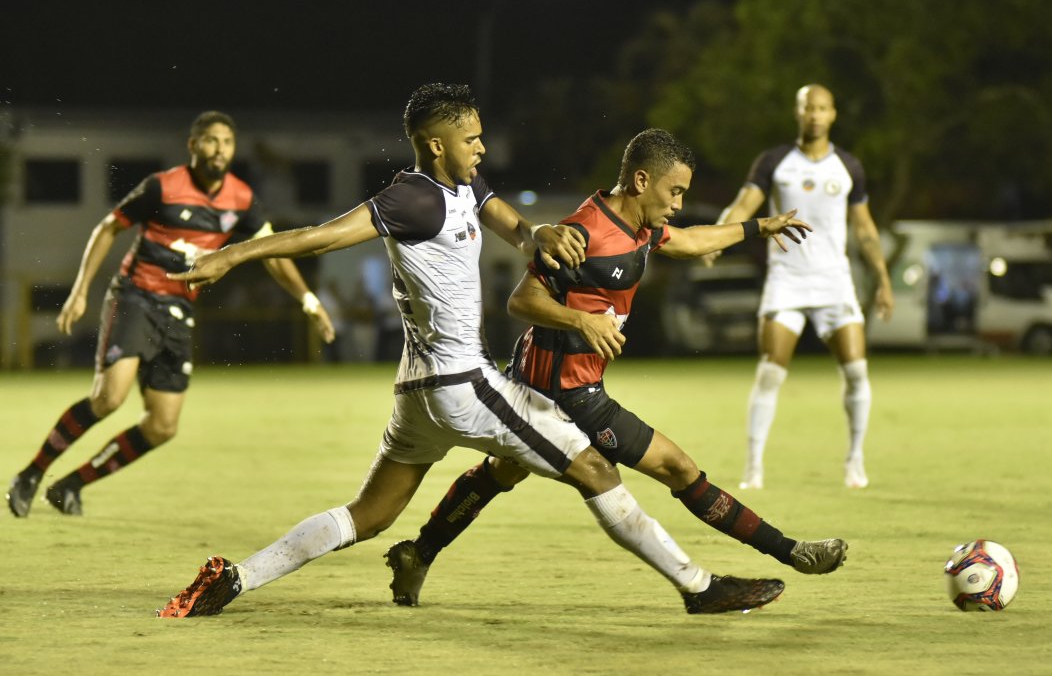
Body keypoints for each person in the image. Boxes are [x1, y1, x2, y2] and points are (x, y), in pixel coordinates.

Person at [157, 84, 787, 618]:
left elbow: (502, 216)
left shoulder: (464, 184)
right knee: (595, 469)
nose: (482, 148)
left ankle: (235, 578)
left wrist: (537, 234)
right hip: (461, 383)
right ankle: (698, 588)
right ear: (435, 145)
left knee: (369, 515)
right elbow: (322, 238)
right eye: (471, 139)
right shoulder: (412, 198)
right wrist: (232, 255)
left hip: (419, 391)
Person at [384, 128, 849, 607]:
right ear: (641, 181)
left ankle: (418, 553)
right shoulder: (584, 233)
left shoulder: (640, 228)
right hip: (564, 393)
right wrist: (581, 320)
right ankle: (787, 554)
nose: (678, 204)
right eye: (675, 192)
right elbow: (521, 300)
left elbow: (690, 241)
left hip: (557, 381)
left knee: (502, 472)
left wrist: (759, 227)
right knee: (676, 467)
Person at [6, 111, 336, 518]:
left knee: (162, 426)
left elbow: (272, 254)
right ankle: (31, 474)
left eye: (227, 142)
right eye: (211, 140)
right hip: (136, 296)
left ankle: (71, 484)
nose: (219, 149)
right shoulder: (162, 187)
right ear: (193, 145)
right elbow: (108, 228)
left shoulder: (241, 198)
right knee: (109, 398)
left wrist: (308, 300)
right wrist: (80, 290)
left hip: (179, 309)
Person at [711, 84, 893, 490]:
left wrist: (882, 279)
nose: (815, 114)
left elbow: (865, 228)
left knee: (857, 371)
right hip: (787, 280)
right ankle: (754, 468)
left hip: (834, 280)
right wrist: (715, 239)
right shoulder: (774, 161)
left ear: (833, 114)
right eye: (808, 107)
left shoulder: (848, 166)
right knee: (770, 373)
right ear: (798, 112)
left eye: (822, 108)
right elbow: (743, 206)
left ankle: (855, 460)